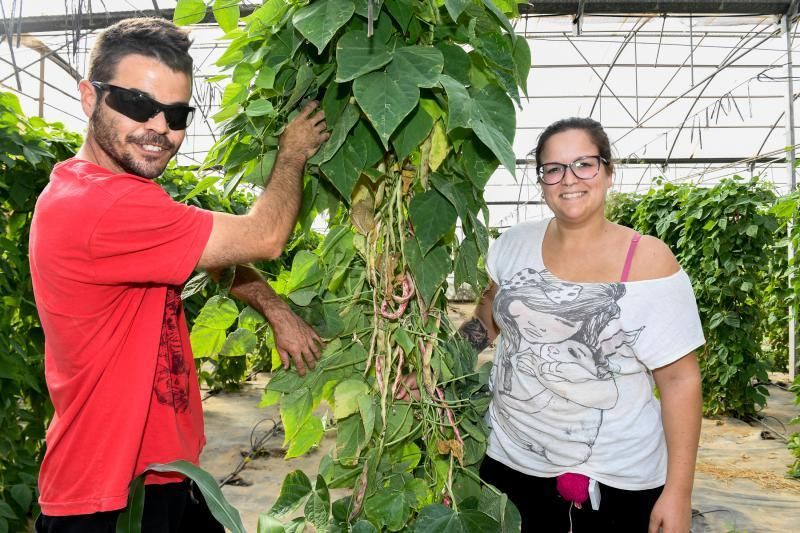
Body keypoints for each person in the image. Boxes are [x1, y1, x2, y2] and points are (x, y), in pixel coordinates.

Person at [29, 17, 329, 532]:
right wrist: (293, 152)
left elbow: (210, 259)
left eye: (176, 113)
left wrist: (276, 309)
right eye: (137, 105)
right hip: (110, 497)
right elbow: (266, 235)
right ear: (88, 97)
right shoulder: (103, 205)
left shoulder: (108, 193)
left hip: (162, 475)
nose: (160, 128)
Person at [400, 117, 703, 532]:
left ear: (608, 172)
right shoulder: (513, 244)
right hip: (509, 460)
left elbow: (680, 381)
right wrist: (437, 366)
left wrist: (679, 492)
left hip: (613, 477)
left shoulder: (649, 261)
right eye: (553, 168)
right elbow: (486, 323)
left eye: (584, 164)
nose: (569, 179)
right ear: (541, 179)